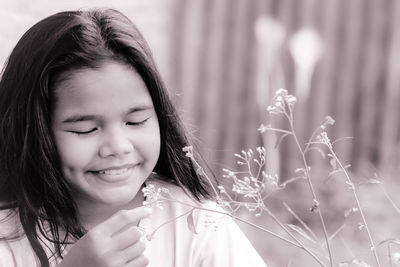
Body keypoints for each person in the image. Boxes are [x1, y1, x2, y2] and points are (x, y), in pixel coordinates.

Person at [0, 8, 267, 267]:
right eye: (86, 129)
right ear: (32, 130)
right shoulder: (7, 233)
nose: (118, 146)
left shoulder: (197, 222)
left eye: (136, 121)